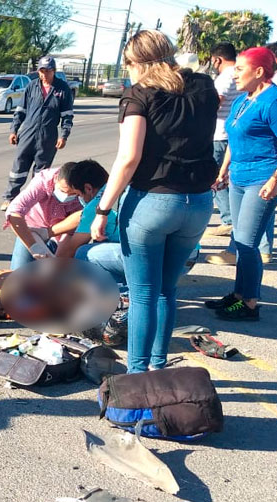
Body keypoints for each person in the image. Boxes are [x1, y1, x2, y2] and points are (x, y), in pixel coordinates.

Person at [90, 30, 218, 373]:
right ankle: (158, 368)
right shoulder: (203, 86)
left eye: (128, 64)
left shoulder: (139, 94)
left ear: (136, 61)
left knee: (143, 294)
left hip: (153, 201)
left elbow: (128, 158)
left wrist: (103, 209)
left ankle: (137, 375)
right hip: (198, 202)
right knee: (166, 291)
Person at [205, 47, 277, 321]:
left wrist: (276, 178)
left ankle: (250, 304)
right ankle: (239, 294)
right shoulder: (244, 99)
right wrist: (223, 171)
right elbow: (234, 137)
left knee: (247, 242)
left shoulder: (274, 102)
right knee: (240, 240)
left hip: (262, 179)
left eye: (240, 70)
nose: (235, 75)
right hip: (239, 178)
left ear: (259, 72)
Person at [0, 56, 74, 210]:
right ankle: (10, 198)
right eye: (42, 71)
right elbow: (20, 111)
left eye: (48, 71)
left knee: (41, 173)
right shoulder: (32, 86)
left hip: (48, 136)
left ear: (54, 71)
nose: (44, 74)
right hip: (28, 133)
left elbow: (67, 115)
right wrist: (14, 130)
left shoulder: (62, 89)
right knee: (19, 167)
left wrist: (64, 136)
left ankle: (33, 202)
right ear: (38, 71)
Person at [50, 160, 125, 283]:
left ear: (88, 188)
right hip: (152, 249)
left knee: (83, 253)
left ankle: (114, 290)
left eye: (78, 194)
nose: (79, 198)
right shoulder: (118, 186)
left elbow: (69, 251)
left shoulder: (94, 206)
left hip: (136, 256)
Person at [3, 163, 83, 270]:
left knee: (57, 271)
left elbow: (83, 217)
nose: (67, 196)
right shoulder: (43, 181)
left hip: (64, 231)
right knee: (19, 272)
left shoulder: (85, 191)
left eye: (72, 194)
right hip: (32, 229)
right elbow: (14, 212)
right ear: (56, 179)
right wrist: (34, 247)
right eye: (63, 191)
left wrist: (57, 261)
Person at [204, 43, 242, 240]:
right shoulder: (241, 73)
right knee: (226, 177)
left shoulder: (225, 77)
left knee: (216, 178)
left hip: (219, 134)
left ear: (217, 59)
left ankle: (228, 220)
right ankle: (232, 218)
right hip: (233, 133)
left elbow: (215, 103)